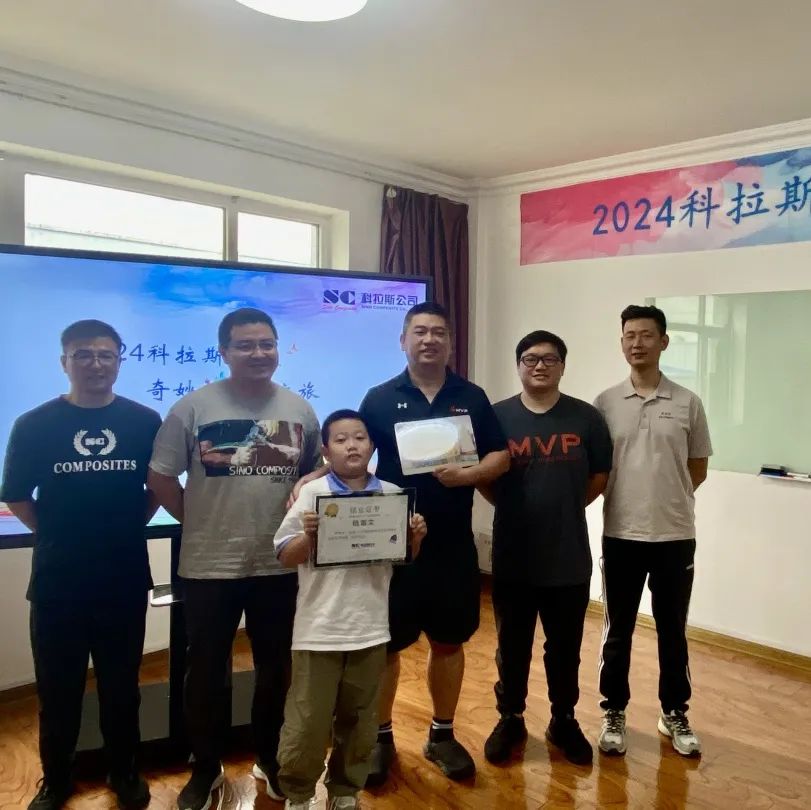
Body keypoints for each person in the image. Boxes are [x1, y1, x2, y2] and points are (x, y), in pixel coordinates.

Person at [291, 302, 509, 784]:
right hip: (390, 545)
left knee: (449, 641)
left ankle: (442, 734)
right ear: (404, 340)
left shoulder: (471, 396)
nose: (429, 340)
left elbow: (500, 456)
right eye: (420, 332)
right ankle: (381, 737)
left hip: (452, 544)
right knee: (386, 646)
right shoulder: (380, 397)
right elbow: (354, 450)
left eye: (439, 332)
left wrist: (468, 475)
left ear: (450, 341)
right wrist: (317, 473)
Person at [147, 308, 322, 810]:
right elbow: (160, 478)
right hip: (209, 566)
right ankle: (206, 767)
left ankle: (270, 758)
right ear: (224, 351)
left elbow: (315, 473)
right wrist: (199, 520)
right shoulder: (192, 407)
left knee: (276, 669)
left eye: (267, 343)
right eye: (245, 345)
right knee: (205, 672)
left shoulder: (299, 409)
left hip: (278, 564)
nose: (258, 353)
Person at [0, 319, 161, 810]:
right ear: (64, 361)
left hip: (123, 579)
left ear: (119, 361)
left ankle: (124, 772)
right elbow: (15, 495)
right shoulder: (34, 424)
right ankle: (56, 780)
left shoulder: (144, 421)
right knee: (58, 689)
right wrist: (57, 533)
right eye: (83, 355)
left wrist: (123, 526)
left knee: (122, 686)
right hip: (58, 582)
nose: (95, 364)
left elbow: (156, 488)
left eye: (106, 355)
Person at [273, 409, 427, 810]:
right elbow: (285, 555)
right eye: (340, 440)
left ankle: (345, 791)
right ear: (326, 451)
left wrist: (414, 540)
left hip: (370, 628)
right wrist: (309, 537)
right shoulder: (312, 494)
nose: (351, 446)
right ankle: (299, 793)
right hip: (318, 630)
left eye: (359, 437)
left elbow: (401, 558)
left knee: (360, 721)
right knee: (308, 722)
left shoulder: (392, 495)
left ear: (372, 445)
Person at [479, 330, 613, 766]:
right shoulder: (496, 417)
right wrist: (518, 508)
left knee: (565, 648)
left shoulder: (586, 418)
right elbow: (485, 479)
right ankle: (510, 717)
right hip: (514, 555)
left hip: (567, 556)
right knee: (511, 645)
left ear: (562, 366)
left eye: (550, 359)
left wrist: (561, 507)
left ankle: (563, 719)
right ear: (518, 365)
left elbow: (598, 478)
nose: (540, 365)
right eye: (531, 358)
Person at [594, 304, 712, 758]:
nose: (637, 343)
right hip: (621, 534)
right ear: (621, 342)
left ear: (663, 342)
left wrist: (664, 499)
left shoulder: (687, 402)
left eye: (646, 335)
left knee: (672, 630)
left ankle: (674, 712)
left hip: (674, 536)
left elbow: (697, 468)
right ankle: (613, 711)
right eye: (629, 335)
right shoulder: (605, 403)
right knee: (617, 629)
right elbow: (598, 468)